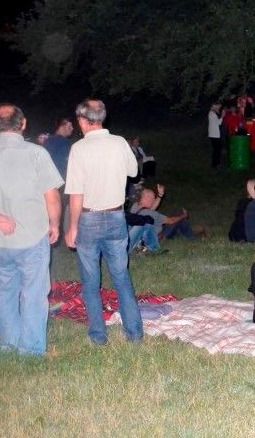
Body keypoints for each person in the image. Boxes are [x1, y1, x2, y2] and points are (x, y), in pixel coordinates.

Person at [0, 104, 63, 357]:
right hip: (32, 238)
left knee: (4, 295)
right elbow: (52, 196)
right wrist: (55, 224)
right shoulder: (36, 153)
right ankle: (31, 349)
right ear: (23, 123)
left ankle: (9, 344)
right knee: (33, 295)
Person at [64, 99, 144, 347]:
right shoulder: (119, 142)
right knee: (121, 277)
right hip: (116, 217)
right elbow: (134, 172)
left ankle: (98, 336)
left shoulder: (79, 148)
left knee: (91, 282)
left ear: (83, 120)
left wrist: (73, 226)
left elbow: (76, 194)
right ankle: (134, 334)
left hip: (89, 219)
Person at [131, 184, 203, 245]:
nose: (154, 200)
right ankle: (192, 237)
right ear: (147, 198)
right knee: (179, 215)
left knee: (178, 222)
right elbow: (171, 221)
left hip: (143, 238)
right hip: (160, 237)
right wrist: (184, 215)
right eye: (153, 198)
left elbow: (151, 208)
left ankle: (189, 234)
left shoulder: (135, 206)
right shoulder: (151, 214)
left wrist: (160, 195)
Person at [207, 103, 223, 169]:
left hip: (214, 134)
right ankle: (216, 164)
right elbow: (218, 123)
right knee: (217, 150)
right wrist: (222, 116)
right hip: (214, 135)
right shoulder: (212, 114)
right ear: (214, 106)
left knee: (217, 149)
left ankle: (215, 163)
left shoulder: (212, 113)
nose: (219, 108)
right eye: (218, 107)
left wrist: (218, 112)